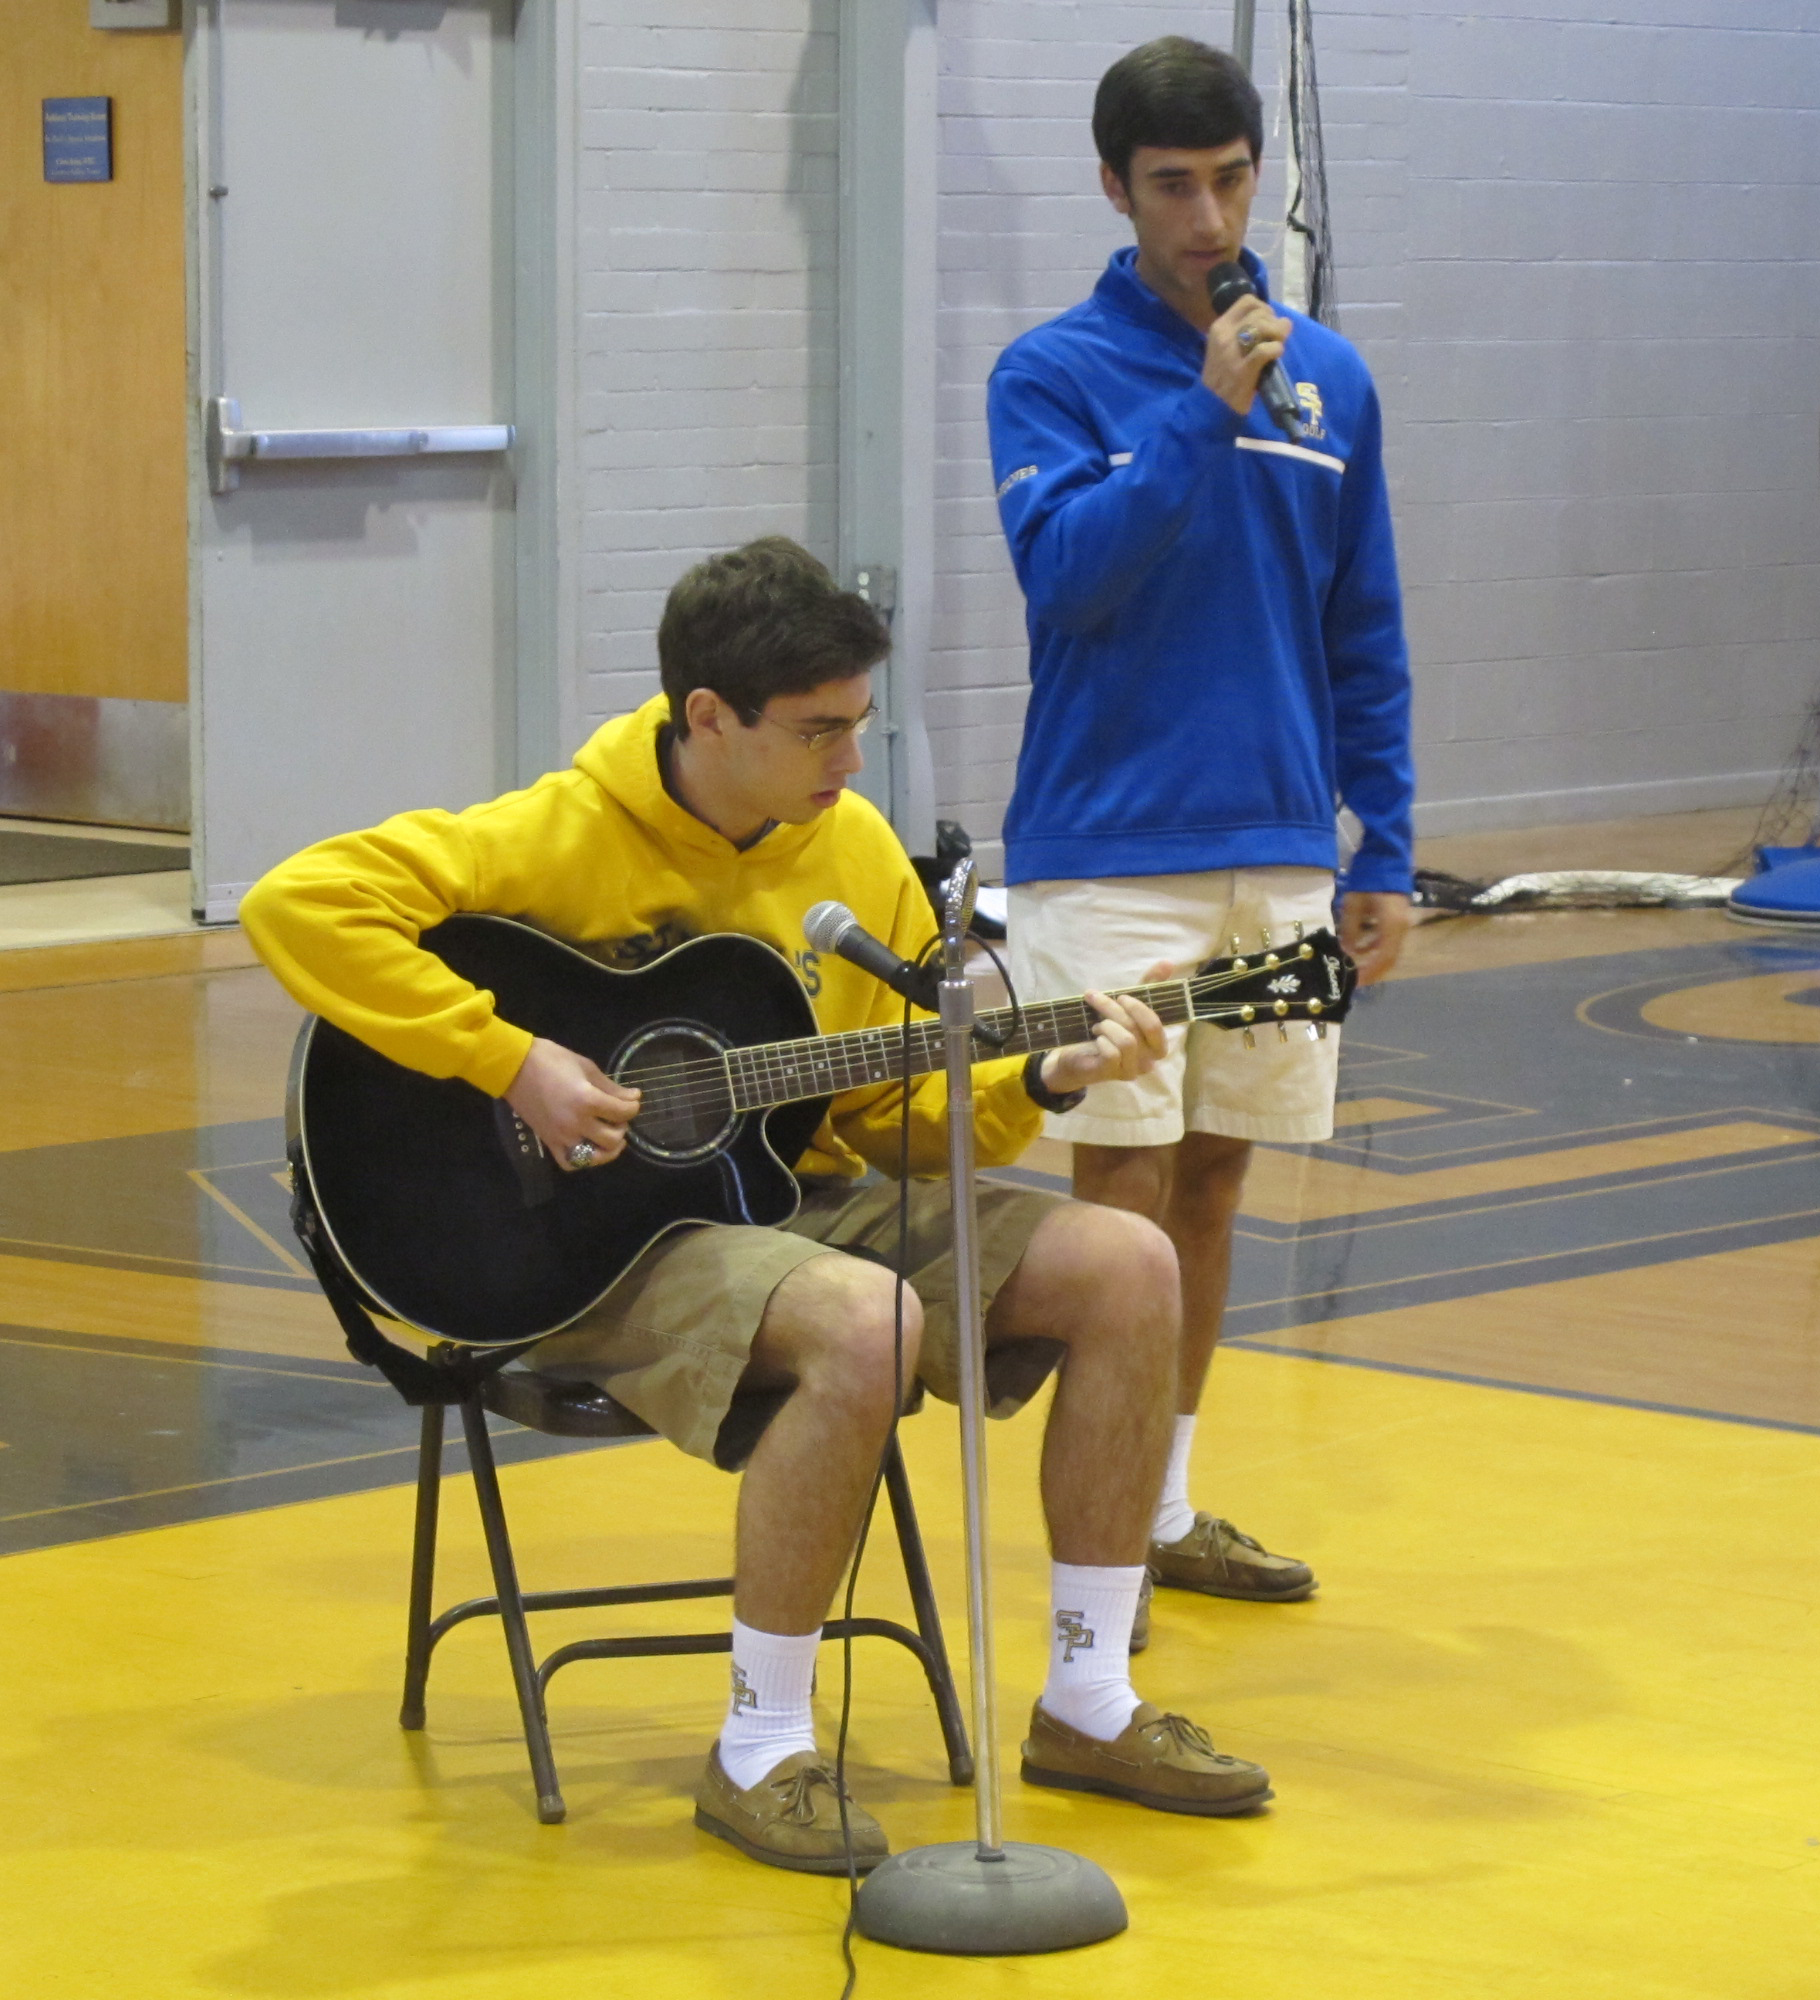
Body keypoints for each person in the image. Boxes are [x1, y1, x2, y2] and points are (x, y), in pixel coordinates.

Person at [240, 537, 1277, 1877]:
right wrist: (512, 1060)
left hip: (787, 1201)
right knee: (864, 1321)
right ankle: (762, 1748)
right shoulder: (558, 833)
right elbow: (295, 904)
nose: (851, 761)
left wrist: (1042, 1079)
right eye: (817, 731)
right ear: (709, 717)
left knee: (1131, 1263)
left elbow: (888, 1122)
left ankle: (1089, 1700)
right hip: (579, 1247)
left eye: (860, 723)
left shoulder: (850, 849)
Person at [986, 38, 1416, 1616]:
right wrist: (1198, 415)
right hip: (1109, 853)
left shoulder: (1334, 381)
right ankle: (1094, 1578)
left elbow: (1364, 622)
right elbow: (1069, 579)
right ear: (1115, 188)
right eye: (1174, 186)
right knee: (1122, 1205)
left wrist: (1384, 845)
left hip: (1283, 849)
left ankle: (1162, 1510)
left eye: (1232, 181)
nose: (1211, 220)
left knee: (1220, 1179)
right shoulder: (1048, 374)